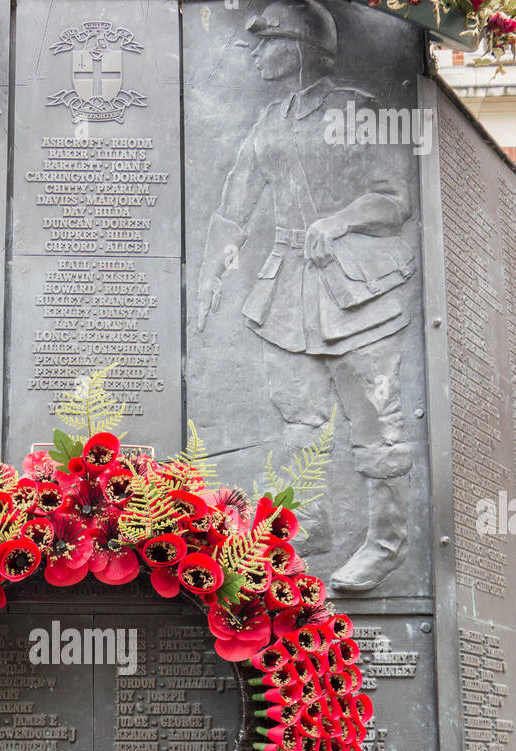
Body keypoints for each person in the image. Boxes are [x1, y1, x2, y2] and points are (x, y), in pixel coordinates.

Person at [197, 0, 415, 593]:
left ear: (300, 48)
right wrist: (209, 279)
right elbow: (232, 207)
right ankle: (307, 527)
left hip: (357, 289)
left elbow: (394, 200)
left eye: (268, 43)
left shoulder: (356, 113)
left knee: (377, 424)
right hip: (287, 290)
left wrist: (342, 219)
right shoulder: (269, 122)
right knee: (297, 417)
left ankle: (386, 543)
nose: (257, 55)